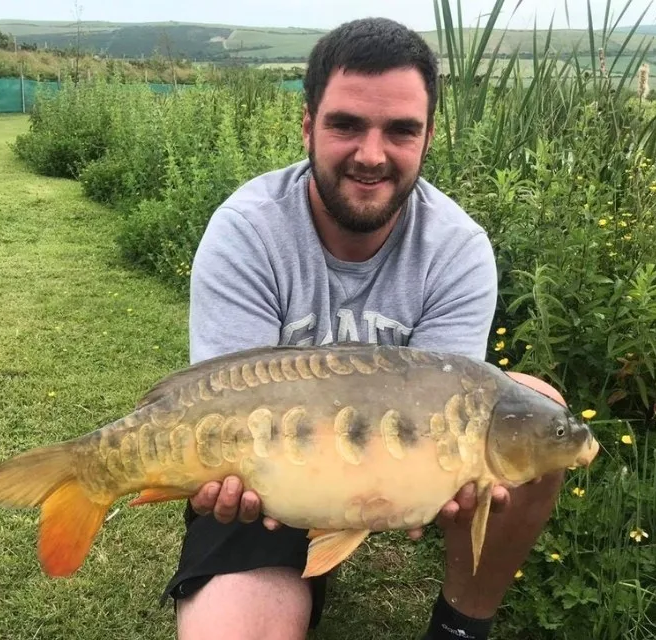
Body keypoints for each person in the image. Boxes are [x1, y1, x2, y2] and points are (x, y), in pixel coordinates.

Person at [161, 16, 565, 640]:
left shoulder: (456, 248)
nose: (371, 155)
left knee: (538, 410)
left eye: (400, 130)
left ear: (428, 138)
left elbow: (451, 407)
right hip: (265, 475)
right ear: (307, 126)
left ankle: (461, 624)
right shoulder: (247, 229)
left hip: (389, 467)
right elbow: (226, 405)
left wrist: (429, 487)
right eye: (347, 124)